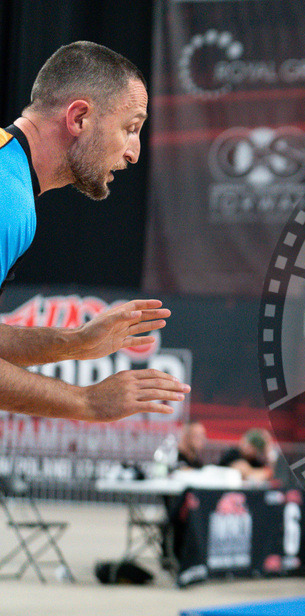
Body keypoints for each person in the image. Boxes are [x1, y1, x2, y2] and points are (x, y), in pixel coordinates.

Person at [0, 40, 188, 421]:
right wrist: (87, 401)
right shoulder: (8, 198)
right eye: (130, 128)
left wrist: (77, 343)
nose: (134, 153)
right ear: (79, 118)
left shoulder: (9, 171)